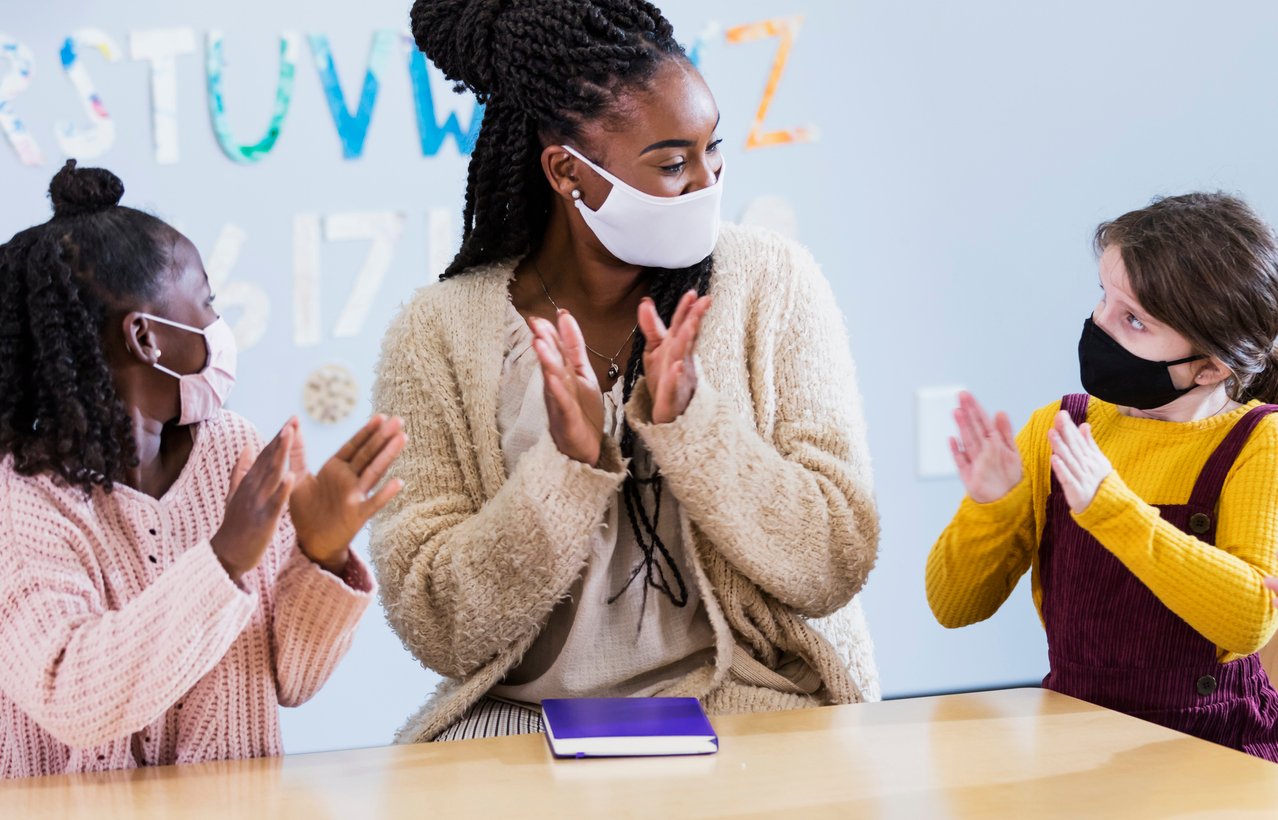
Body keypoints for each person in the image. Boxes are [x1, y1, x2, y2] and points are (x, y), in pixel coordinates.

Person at [370, 0, 881, 742]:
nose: (706, 181)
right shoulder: (437, 333)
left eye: (714, 151)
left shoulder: (772, 282)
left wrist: (695, 430)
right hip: (520, 725)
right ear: (566, 172)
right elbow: (435, 623)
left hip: (746, 703)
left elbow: (836, 559)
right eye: (673, 164)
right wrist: (565, 470)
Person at [0, 161, 406, 777]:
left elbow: (291, 679)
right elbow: (70, 691)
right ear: (146, 338)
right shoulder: (23, 501)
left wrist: (319, 554)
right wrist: (225, 559)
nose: (218, 326)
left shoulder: (230, 452)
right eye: (207, 303)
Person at [927, 192, 1278, 761]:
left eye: (1134, 320)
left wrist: (1110, 509)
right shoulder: (1059, 427)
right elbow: (952, 606)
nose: (1099, 325)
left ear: (1210, 367)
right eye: (1104, 299)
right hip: (1073, 743)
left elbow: (1248, 623)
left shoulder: (1259, 443)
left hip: (1216, 755)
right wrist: (992, 504)